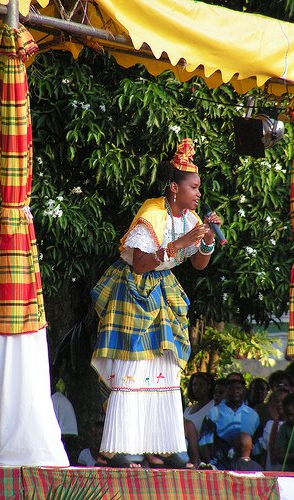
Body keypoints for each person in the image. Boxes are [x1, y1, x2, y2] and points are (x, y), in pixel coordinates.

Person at [90, 138, 221, 467]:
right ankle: (120, 445)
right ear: (175, 188)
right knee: (134, 363)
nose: (199, 194)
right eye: (194, 187)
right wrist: (178, 244)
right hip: (133, 290)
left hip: (163, 292)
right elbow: (140, 263)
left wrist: (205, 242)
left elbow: (199, 265)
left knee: (163, 364)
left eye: (199, 188)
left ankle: (164, 446)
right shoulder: (152, 211)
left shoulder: (190, 219)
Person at [199, 372, 259, 469]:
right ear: (226, 390)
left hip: (245, 469)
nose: (235, 391)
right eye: (231, 388)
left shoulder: (253, 415)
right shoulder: (214, 412)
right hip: (219, 467)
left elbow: (256, 446)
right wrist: (210, 465)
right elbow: (204, 442)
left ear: (244, 390)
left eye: (238, 388)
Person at [252, 386, 293, 470]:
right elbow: (264, 453)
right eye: (277, 401)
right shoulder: (270, 424)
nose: (280, 404)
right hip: (271, 472)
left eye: (283, 401)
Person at [275, 393, 294, 472]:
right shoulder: (285, 428)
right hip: (293, 471)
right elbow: (279, 457)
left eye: (292, 414)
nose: (290, 418)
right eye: (287, 415)